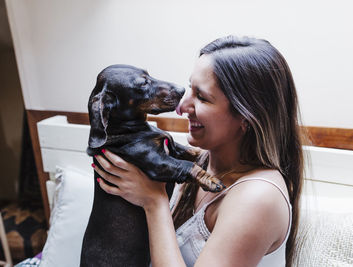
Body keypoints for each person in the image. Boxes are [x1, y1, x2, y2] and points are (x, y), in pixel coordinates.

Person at [92, 35, 304, 267]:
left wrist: (154, 202)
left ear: (246, 118)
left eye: (201, 97)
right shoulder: (195, 165)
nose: (181, 107)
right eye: (190, 89)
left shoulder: (258, 198)